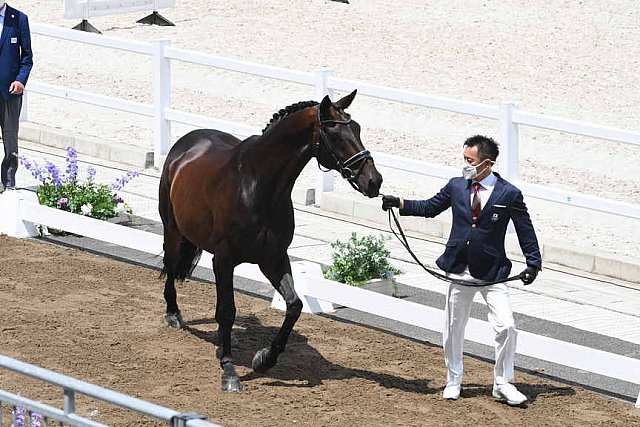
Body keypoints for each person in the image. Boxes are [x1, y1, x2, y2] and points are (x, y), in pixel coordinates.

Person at [382, 135, 541, 406]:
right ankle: (453, 379)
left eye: (471, 161)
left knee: (507, 326)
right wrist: (400, 203)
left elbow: (525, 229)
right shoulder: (457, 186)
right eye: (464, 159)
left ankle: (502, 382)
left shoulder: (508, 194)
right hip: (459, 269)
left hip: (493, 272)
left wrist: (533, 262)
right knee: (454, 328)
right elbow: (431, 207)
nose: (465, 165)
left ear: (487, 164)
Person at [0, 2, 33, 192]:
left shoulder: (19, 19)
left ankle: (9, 180)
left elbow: (27, 57)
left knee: (10, 136)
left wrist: (21, 80)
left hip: (10, 91)